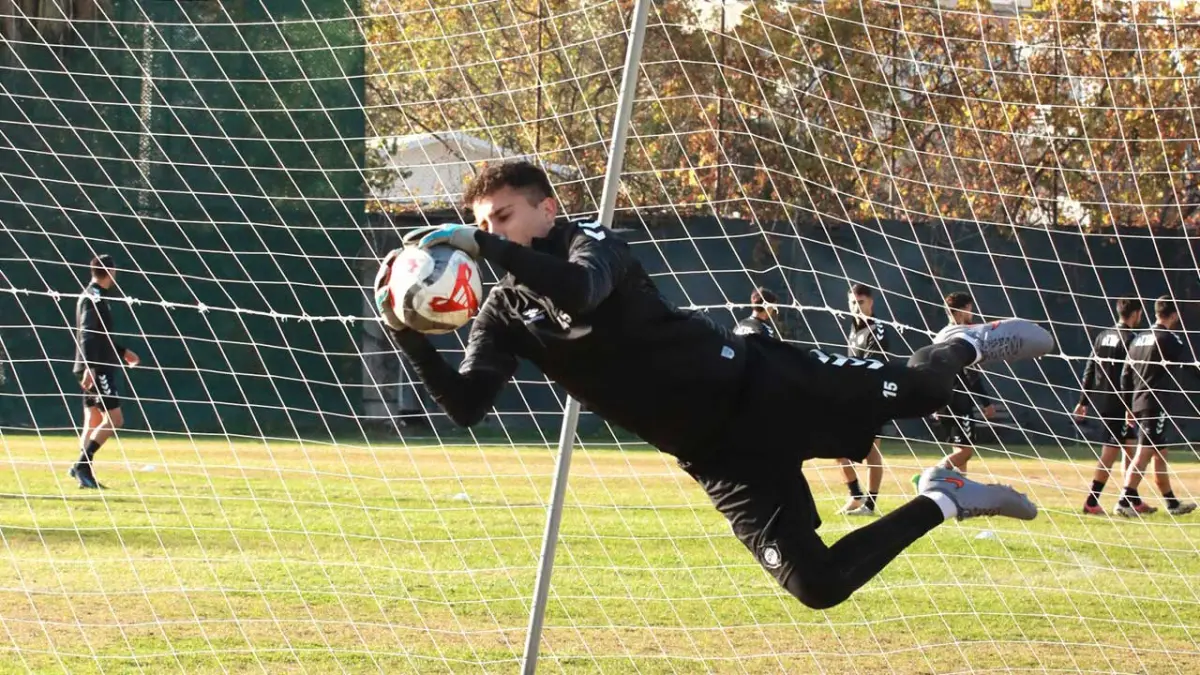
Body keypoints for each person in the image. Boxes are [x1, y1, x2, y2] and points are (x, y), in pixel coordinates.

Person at [375, 161, 1052, 610]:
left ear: (545, 209)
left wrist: (486, 247)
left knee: (926, 390)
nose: (486, 231)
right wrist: (406, 332)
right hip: (717, 454)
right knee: (817, 586)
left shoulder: (594, 244)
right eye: (481, 221)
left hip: (763, 383)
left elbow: (582, 294)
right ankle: (946, 499)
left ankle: (965, 341)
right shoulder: (501, 312)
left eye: (499, 216)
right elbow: (466, 406)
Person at [1115, 296, 1197, 517]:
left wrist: (1127, 407)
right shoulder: (1169, 339)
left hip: (1138, 401)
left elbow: (1125, 376)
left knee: (1160, 453)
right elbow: (1191, 367)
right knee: (1143, 453)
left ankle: (1172, 503)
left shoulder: (1138, 339)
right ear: (1174, 315)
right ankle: (1124, 500)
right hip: (1155, 403)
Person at [71, 254, 139, 489]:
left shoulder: (93, 295)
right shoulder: (95, 297)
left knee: (93, 418)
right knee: (115, 419)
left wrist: (122, 352)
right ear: (111, 272)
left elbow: (100, 335)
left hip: (90, 364)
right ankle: (82, 464)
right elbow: (89, 335)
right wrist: (92, 366)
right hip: (96, 366)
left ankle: (82, 470)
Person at [1072, 298, 1141, 515]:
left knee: (1131, 448)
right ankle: (1091, 502)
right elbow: (1128, 376)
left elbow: (1090, 368)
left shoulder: (1103, 335)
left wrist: (1084, 400)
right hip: (1120, 404)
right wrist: (1130, 405)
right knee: (1110, 452)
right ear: (1136, 313)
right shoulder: (1131, 339)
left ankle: (1132, 499)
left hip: (1104, 401)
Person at [837, 284, 890, 516]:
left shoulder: (876, 330)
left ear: (871, 303)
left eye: (860, 303)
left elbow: (872, 367)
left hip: (871, 399)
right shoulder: (854, 329)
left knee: (871, 451)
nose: (855, 307)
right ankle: (856, 496)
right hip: (852, 398)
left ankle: (869, 504)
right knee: (837, 448)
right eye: (852, 302)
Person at [933, 292, 995, 475]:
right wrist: (986, 402)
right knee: (965, 452)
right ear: (960, 311)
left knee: (958, 450)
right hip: (959, 401)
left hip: (944, 400)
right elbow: (972, 374)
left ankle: (960, 493)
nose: (972, 314)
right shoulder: (964, 337)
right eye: (969, 310)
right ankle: (931, 475)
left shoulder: (941, 336)